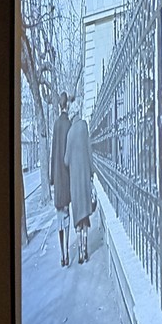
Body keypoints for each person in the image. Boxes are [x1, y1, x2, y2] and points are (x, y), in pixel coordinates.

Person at [65, 98, 95, 265]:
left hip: (74, 183)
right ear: (78, 112)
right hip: (84, 179)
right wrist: (91, 171)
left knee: (78, 217)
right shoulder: (84, 126)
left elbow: (66, 160)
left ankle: (80, 253)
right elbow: (89, 150)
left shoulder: (69, 133)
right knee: (85, 216)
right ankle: (85, 248)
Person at [51, 93, 73, 267]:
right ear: (68, 106)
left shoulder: (56, 124)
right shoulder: (69, 124)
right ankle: (67, 249)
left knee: (59, 217)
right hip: (67, 176)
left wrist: (52, 178)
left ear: (60, 106)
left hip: (58, 178)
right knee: (67, 214)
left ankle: (62, 254)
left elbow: (53, 154)